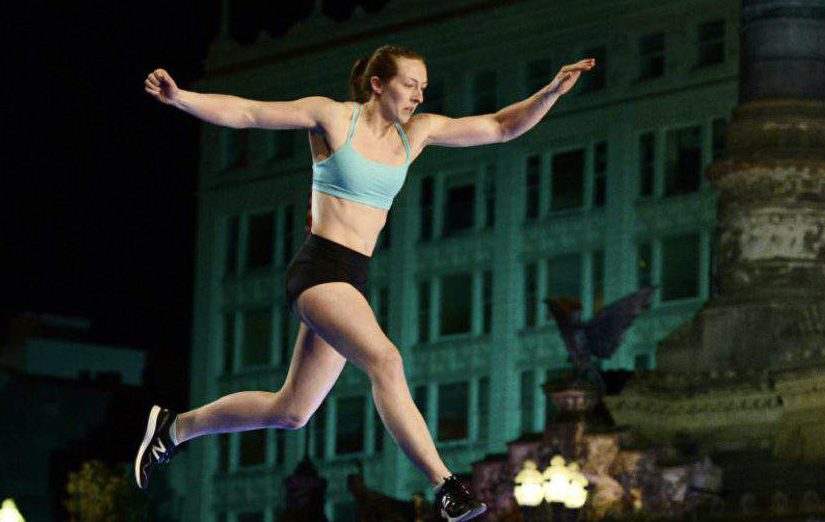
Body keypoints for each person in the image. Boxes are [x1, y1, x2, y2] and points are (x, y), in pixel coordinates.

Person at [136, 44, 595, 521]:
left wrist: (551, 92)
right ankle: (446, 486)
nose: (419, 96)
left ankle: (175, 428)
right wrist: (181, 98)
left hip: (350, 280)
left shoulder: (416, 134)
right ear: (378, 84)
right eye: (409, 85)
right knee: (386, 361)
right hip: (318, 270)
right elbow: (250, 112)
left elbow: (501, 126)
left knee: (292, 411)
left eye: (423, 87)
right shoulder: (334, 118)